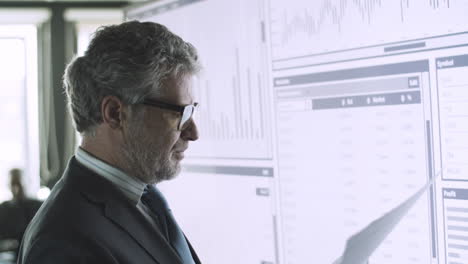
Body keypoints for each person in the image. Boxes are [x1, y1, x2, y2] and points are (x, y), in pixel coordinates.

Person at [17, 21, 201, 264]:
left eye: (192, 111)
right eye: (180, 113)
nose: (193, 132)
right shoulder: (63, 240)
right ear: (115, 113)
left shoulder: (145, 199)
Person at [0, 168, 42, 260]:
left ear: (26, 183)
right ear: (8, 185)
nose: (16, 189)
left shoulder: (39, 207)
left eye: (18, 184)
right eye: (13, 184)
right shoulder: (3, 209)